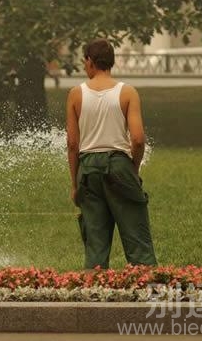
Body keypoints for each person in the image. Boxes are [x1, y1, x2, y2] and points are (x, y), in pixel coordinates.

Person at [66, 38, 157, 269]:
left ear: (90, 61)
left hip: (88, 169)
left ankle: (94, 295)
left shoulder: (76, 94)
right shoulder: (127, 93)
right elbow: (137, 140)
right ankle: (146, 289)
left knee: (95, 245)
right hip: (119, 164)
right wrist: (132, 170)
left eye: (84, 61)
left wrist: (75, 184)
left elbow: (72, 144)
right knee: (137, 239)